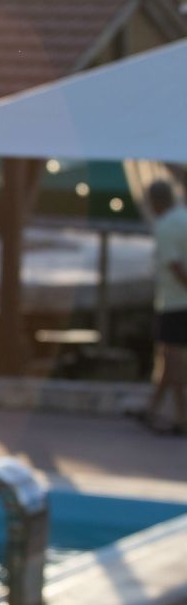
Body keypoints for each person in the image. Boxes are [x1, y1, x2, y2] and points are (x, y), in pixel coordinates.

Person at [142, 178, 187, 434]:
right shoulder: (185, 217)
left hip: (174, 303)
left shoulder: (166, 225)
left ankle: (181, 417)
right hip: (176, 302)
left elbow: (176, 266)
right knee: (168, 360)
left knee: (173, 360)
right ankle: (152, 409)